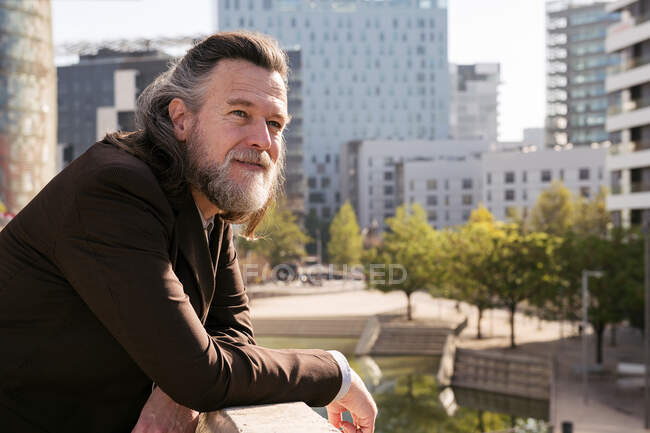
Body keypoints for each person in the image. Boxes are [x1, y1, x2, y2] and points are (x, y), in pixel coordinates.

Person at [0, 31, 377, 433]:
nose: (262, 140)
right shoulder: (114, 190)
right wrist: (335, 372)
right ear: (180, 118)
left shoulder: (205, 202)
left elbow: (233, 339)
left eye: (275, 124)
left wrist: (177, 389)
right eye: (239, 114)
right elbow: (202, 375)